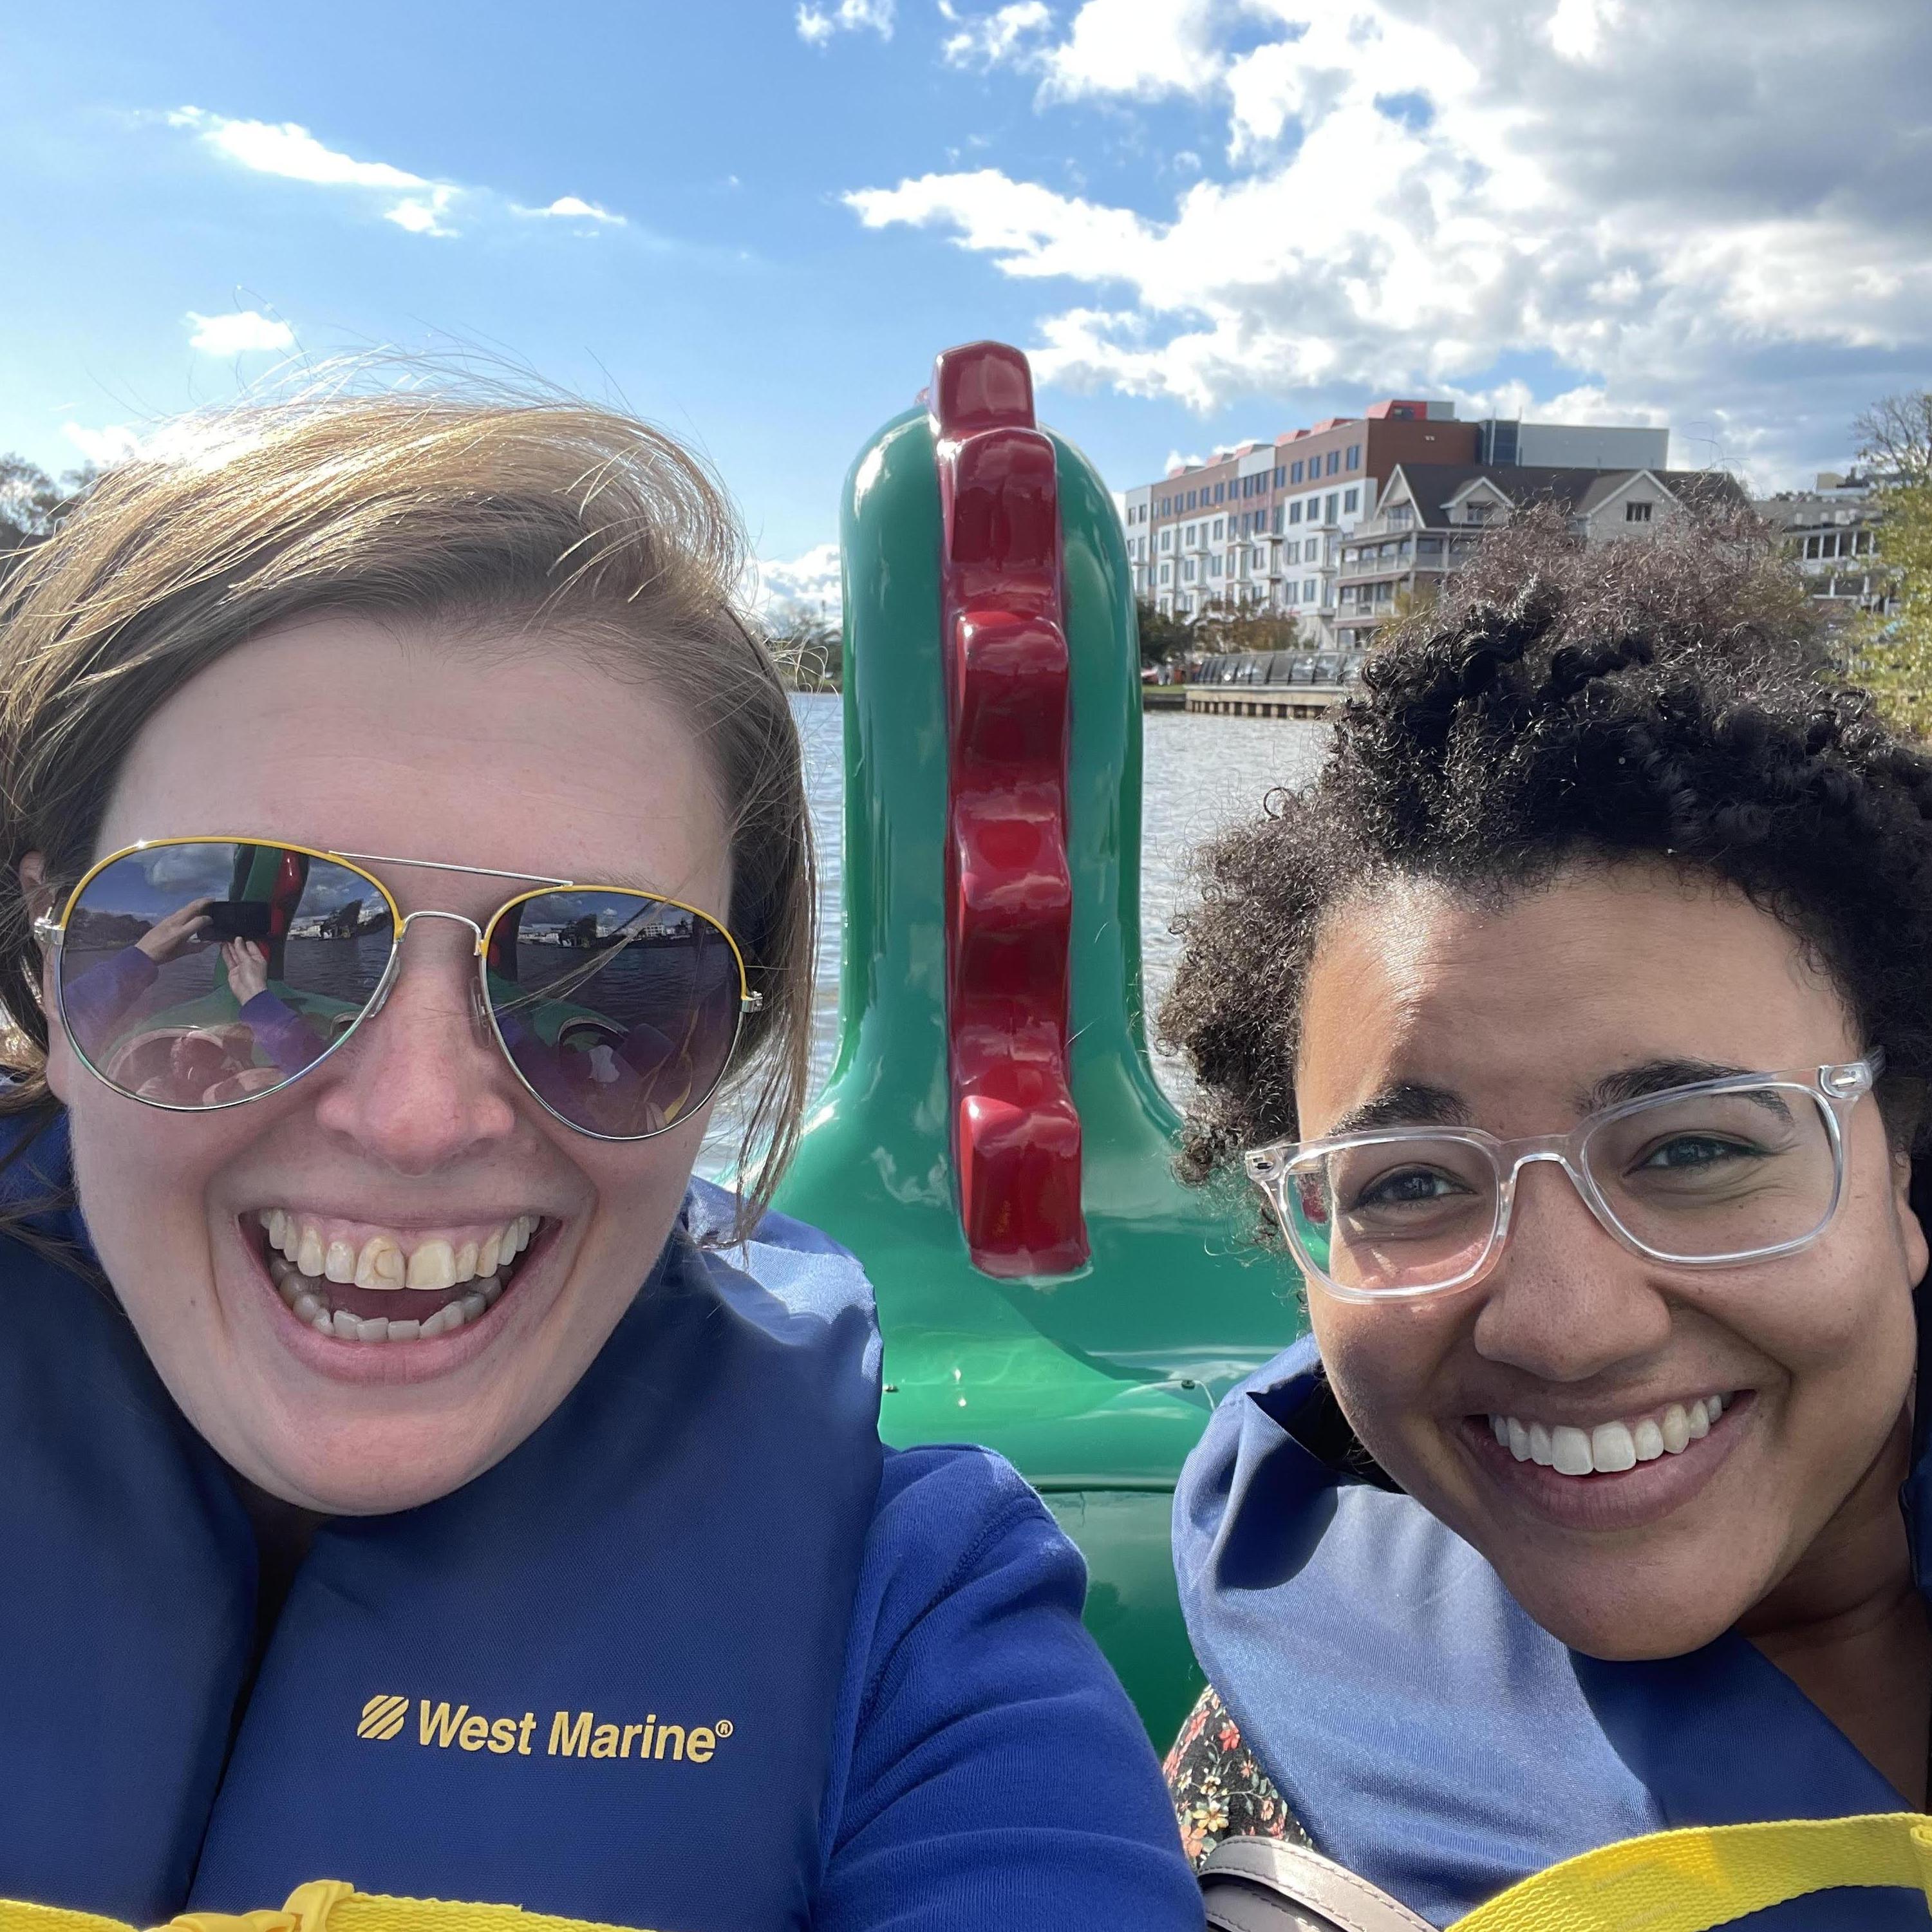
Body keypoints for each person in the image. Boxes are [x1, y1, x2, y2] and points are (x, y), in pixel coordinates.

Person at [0, 389, 1201, 1931]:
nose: (418, 1115)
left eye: (607, 981)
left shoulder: (914, 1632)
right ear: (44, 951)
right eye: (253, 931)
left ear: (734, 1038)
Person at [1159, 514, 1932, 1929]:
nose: (1567, 1327)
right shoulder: (1261, 1815)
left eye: (1694, 1148)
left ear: (1897, 1165)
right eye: (1407, 1183)